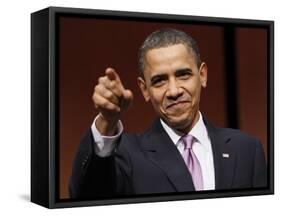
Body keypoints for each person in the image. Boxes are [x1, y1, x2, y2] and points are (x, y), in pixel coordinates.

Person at [69, 28, 267, 199]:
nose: (174, 91)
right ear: (144, 89)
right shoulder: (126, 155)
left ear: (203, 75)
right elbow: (86, 197)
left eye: (183, 75)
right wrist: (107, 121)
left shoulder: (247, 150)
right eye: (159, 81)